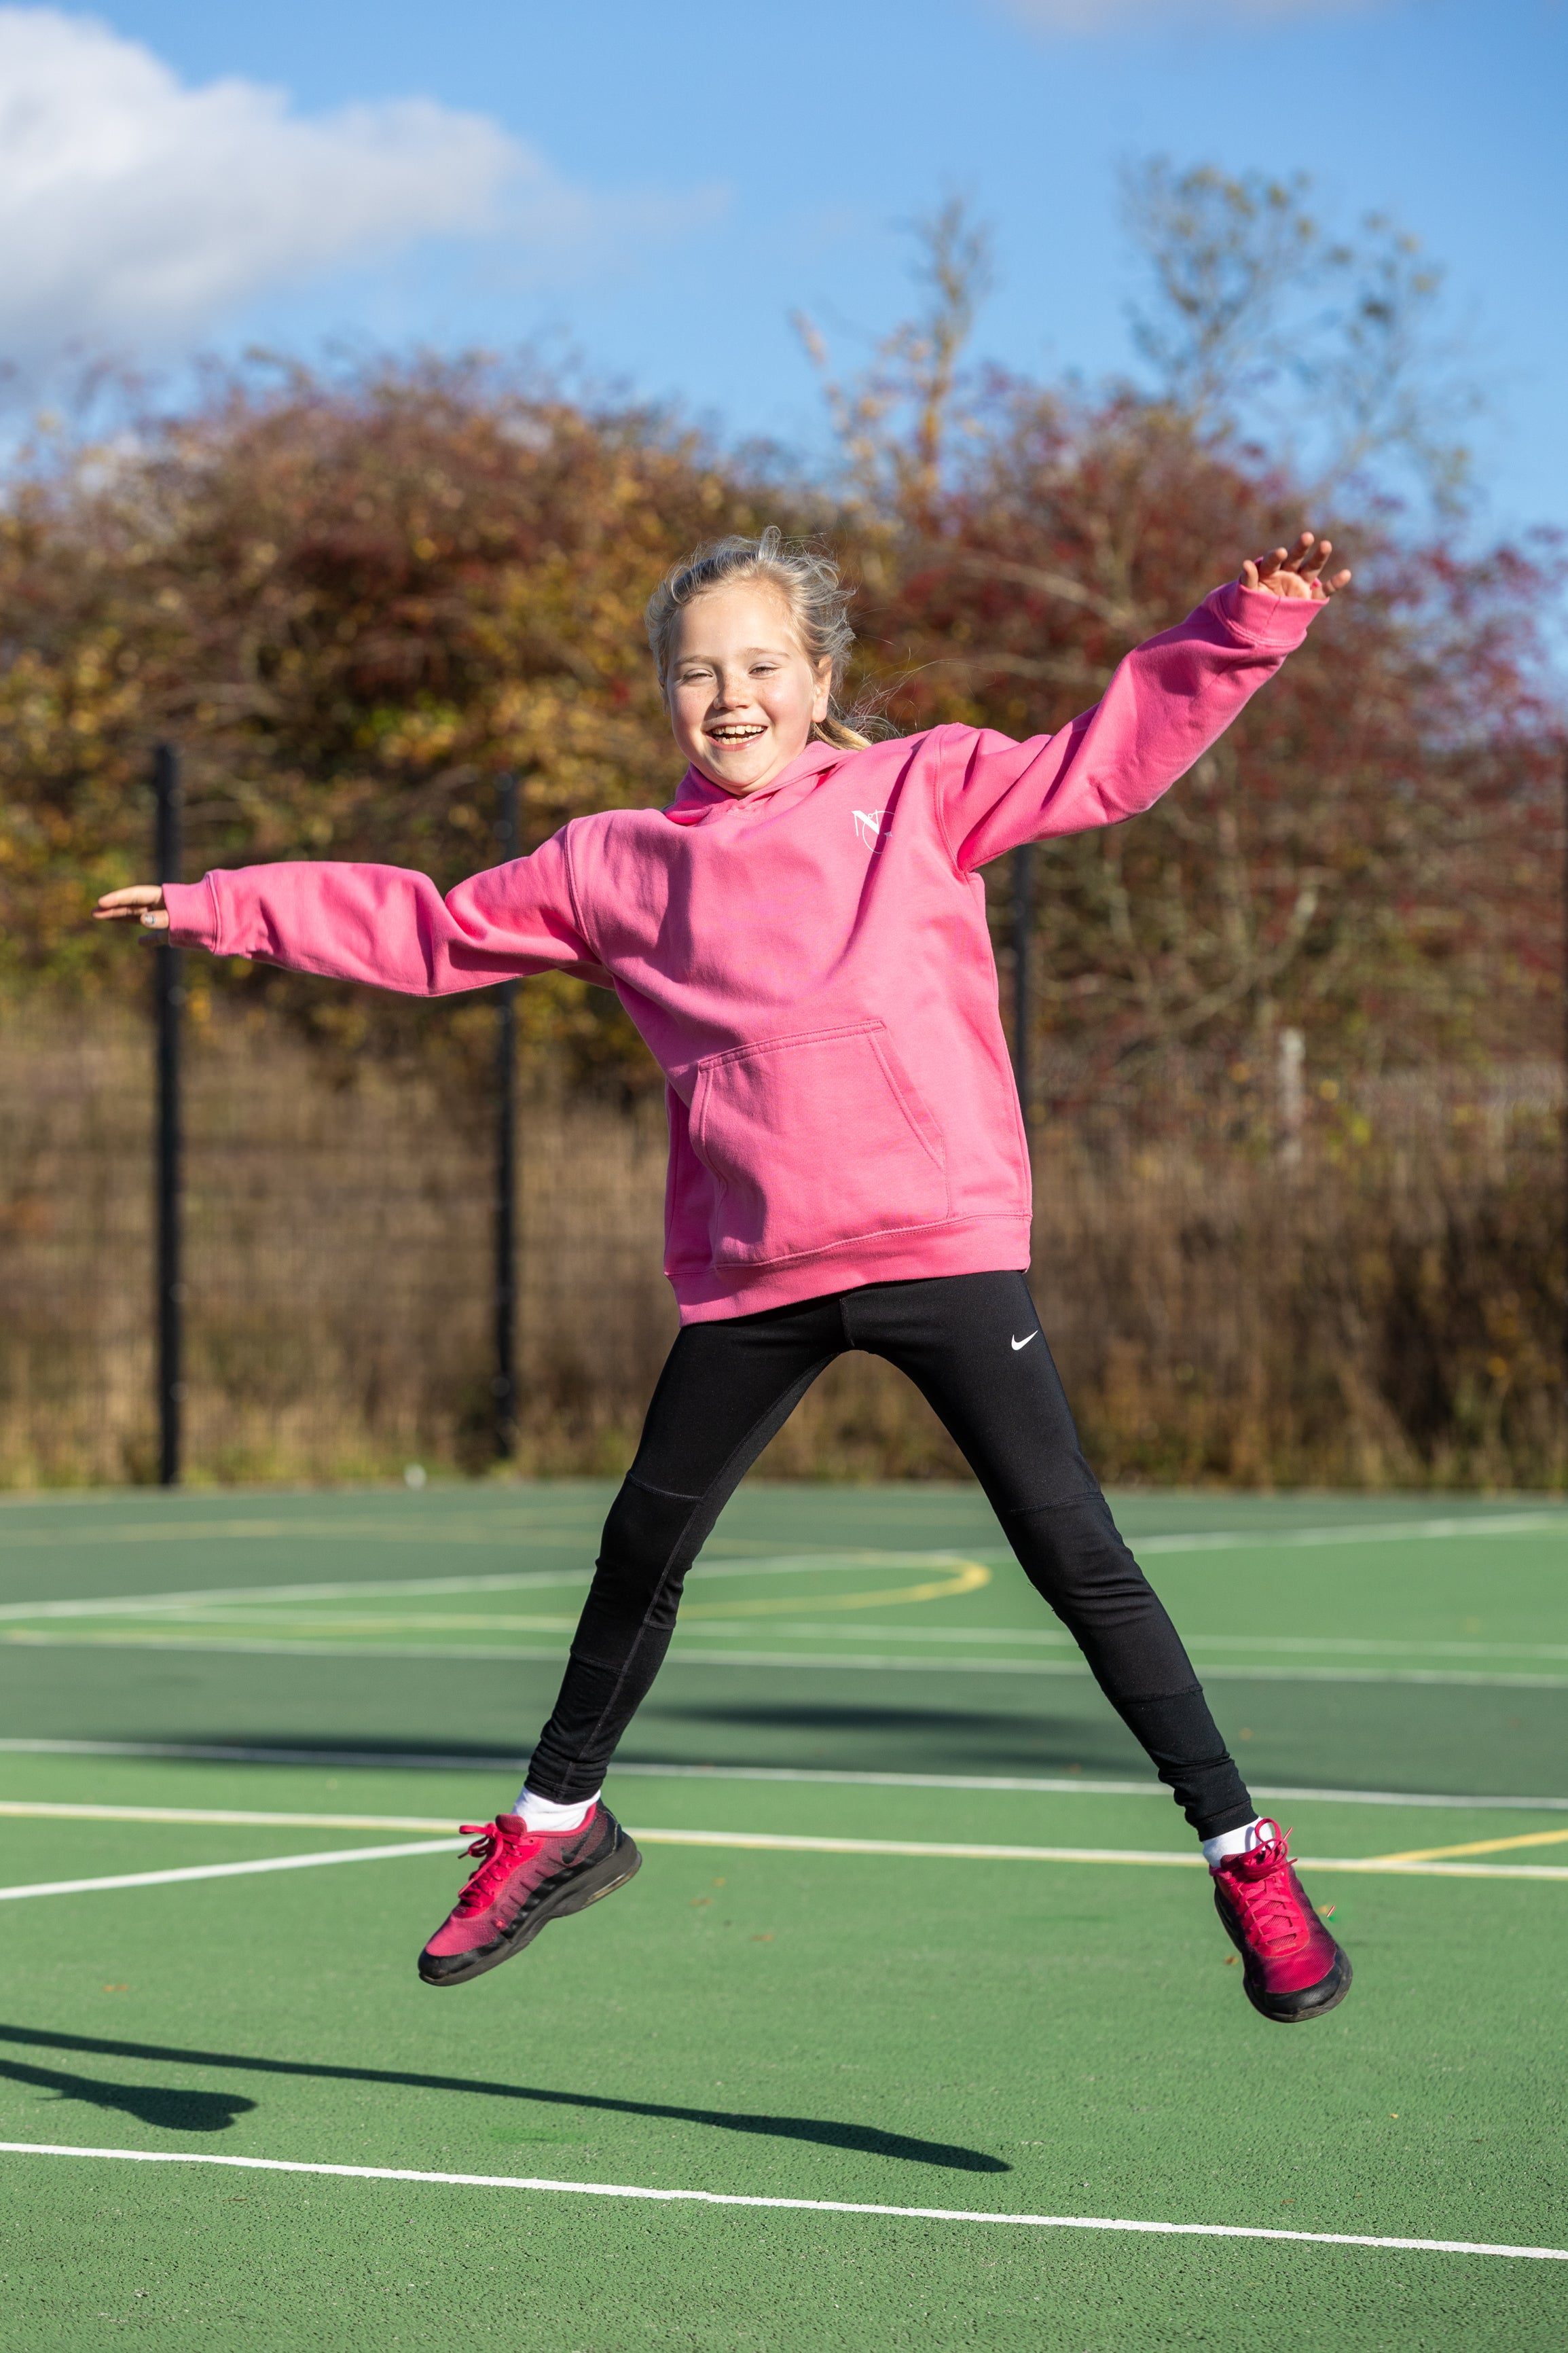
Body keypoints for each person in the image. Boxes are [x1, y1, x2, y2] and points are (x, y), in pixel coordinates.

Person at [98, 524, 1353, 2024]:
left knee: (1074, 1552)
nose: (732, 696)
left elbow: (1112, 757)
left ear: (821, 680)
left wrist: (1247, 623)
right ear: (666, 698)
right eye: (698, 674)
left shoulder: (920, 787)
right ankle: (558, 1825)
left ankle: (1247, 1855)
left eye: (762, 665)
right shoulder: (615, 867)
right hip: (757, 1272)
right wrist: (227, 906)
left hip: (937, 1241)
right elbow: (429, 930)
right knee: (641, 1546)